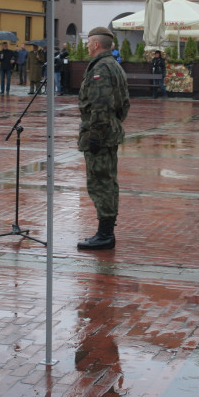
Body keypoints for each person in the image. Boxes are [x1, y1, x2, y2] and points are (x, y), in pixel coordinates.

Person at [76, 26, 130, 250]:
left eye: (88, 42)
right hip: (109, 132)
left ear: (96, 44)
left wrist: (97, 134)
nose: (87, 45)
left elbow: (101, 105)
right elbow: (124, 104)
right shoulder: (114, 65)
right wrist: (114, 124)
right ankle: (106, 231)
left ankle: (105, 235)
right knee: (107, 181)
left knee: (101, 182)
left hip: (100, 135)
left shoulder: (101, 69)